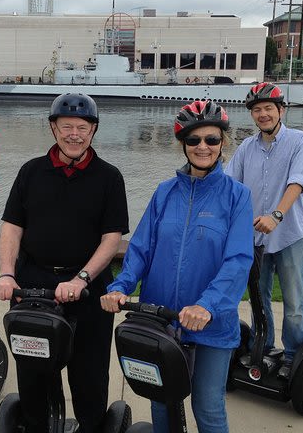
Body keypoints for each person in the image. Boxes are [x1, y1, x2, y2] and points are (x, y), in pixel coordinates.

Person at [101, 99, 253, 433]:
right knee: (162, 400)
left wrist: (206, 305)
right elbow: (141, 248)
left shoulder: (237, 196)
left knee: (208, 408)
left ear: (222, 143)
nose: (203, 147)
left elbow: (238, 260)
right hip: (161, 319)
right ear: (183, 144)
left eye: (212, 139)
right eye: (194, 140)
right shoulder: (164, 192)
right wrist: (120, 286)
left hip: (211, 323)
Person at [0, 92, 129, 433]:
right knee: (34, 372)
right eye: (66, 126)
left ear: (94, 130)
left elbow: (112, 238)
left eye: (82, 127)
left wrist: (81, 279)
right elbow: (11, 227)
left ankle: (91, 425)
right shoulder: (31, 172)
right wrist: (7, 274)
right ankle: (38, 425)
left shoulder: (109, 178)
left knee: (88, 374)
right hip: (33, 286)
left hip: (87, 291)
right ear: (54, 128)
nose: (74, 134)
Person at [224, 82, 303, 379]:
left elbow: (297, 183)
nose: (262, 114)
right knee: (258, 298)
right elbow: (228, 186)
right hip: (255, 240)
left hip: (289, 236)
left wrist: (276, 215)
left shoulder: (300, 141)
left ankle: (293, 358)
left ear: (280, 111)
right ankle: (263, 347)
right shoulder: (246, 148)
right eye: (257, 110)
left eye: (268, 108)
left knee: (294, 303)